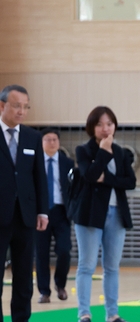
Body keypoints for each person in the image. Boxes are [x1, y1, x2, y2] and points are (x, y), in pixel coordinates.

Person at [74, 106, 136, 322]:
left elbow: (130, 182)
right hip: (89, 215)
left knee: (112, 267)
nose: (105, 128)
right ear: (92, 127)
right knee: (86, 266)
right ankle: (84, 314)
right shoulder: (84, 150)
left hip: (116, 214)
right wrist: (102, 152)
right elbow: (90, 176)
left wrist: (106, 177)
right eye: (100, 124)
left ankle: (112, 315)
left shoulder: (121, 152)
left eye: (109, 123)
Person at [0, 84, 48, 322]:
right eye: (16, 106)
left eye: (25, 107)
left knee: (22, 272)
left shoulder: (32, 137)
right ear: (2, 106)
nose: (21, 111)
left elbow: (39, 176)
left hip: (26, 215)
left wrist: (43, 211)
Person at [36, 129, 74, 304]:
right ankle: (44, 291)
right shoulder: (35, 162)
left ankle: (61, 285)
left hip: (61, 211)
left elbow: (74, 187)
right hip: (40, 211)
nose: (52, 142)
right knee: (41, 253)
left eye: (54, 139)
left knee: (64, 250)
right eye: (48, 139)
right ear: (42, 142)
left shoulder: (68, 163)